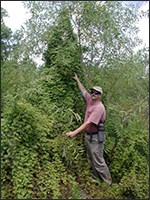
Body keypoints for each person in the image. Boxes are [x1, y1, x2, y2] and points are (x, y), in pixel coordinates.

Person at [66, 73, 112, 186]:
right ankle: (97, 181)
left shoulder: (99, 108)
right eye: (92, 92)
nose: (93, 94)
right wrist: (77, 80)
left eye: (97, 93)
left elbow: (88, 123)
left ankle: (108, 184)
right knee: (91, 159)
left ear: (100, 95)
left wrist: (74, 133)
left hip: (96, 138)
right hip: (88, 136)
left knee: (99, 162)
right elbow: (83, 91)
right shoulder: (90, 100)